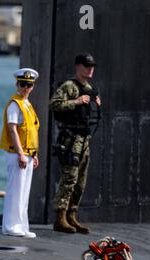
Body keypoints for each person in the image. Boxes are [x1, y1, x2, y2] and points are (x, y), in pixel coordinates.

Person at [49, 53, 101, 234]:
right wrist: (76, 101)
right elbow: (54, 104)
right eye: (87, 65)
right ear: (78, 66)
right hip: (71, 139)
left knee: (81, 181)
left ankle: (72, 215)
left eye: (92, 66)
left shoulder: (89, 88)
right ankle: (60, 217)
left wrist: (94, 103)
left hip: (84, 138)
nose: (90, 69)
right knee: (69, 177)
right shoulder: (69, 86)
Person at [0, 68, 40, 238]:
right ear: (17, 84)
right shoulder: (15, 104)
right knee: (15, 190)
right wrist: (21, 153)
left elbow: (31, 131)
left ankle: (21, 225)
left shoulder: (27, 104)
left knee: (23, 192)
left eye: (29, 85)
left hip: (28, 153)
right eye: (23, 84)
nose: (25, 88)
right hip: (18, 154)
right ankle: (10, 226)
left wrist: (34, 154)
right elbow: (13, 129)